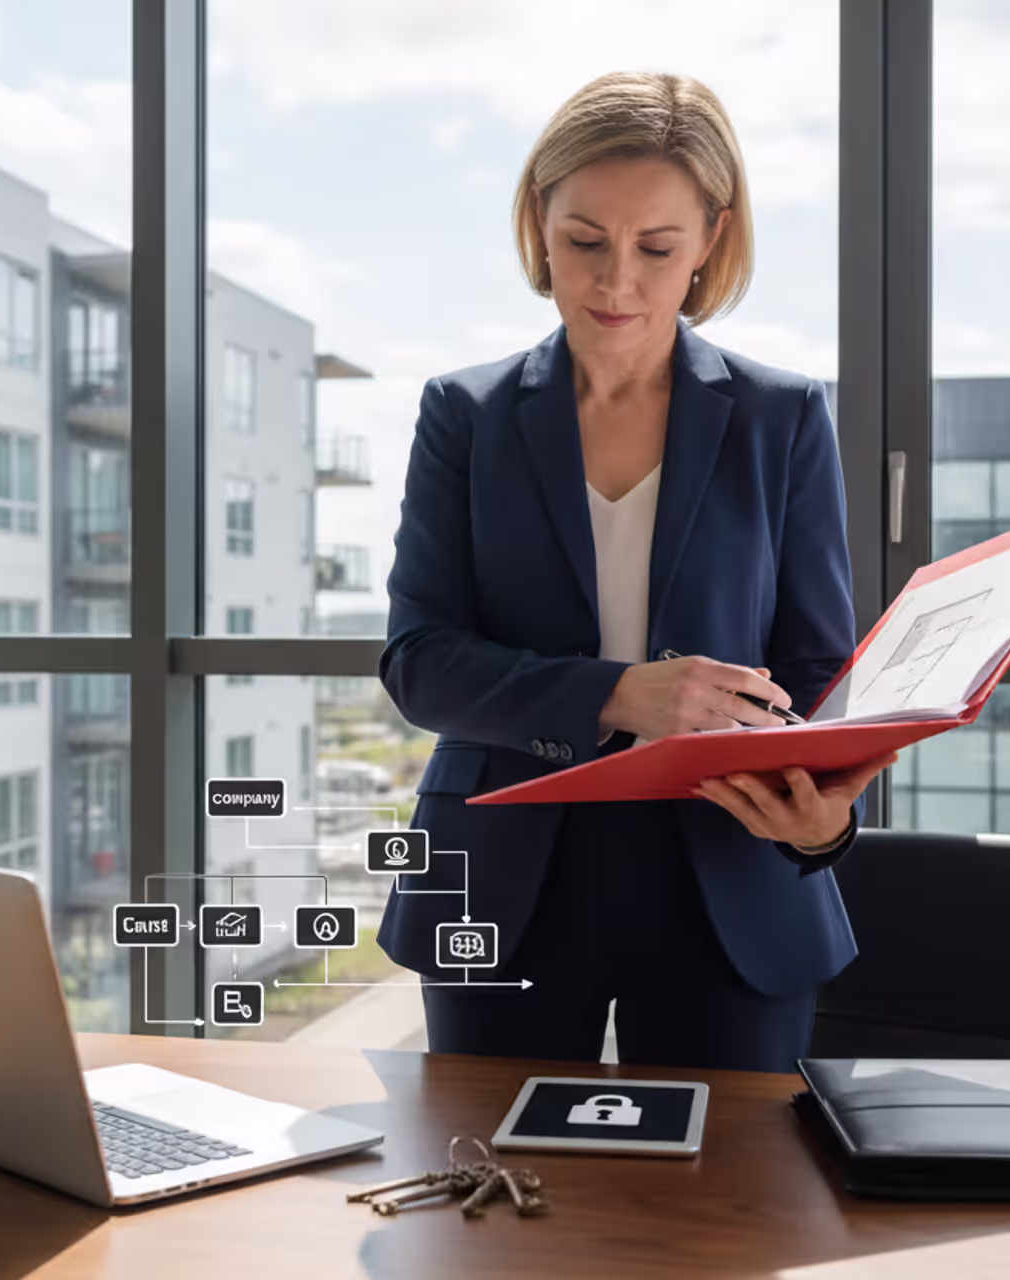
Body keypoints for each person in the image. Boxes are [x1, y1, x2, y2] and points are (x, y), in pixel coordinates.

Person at [375, 71, 896, 1073]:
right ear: (538, 222)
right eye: (584, 242)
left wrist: (825, 816)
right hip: (505, 872)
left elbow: (820, 671)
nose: (616, 283)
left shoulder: (780, 417)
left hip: (729, 871)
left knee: (734, 1212)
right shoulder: (466, 414)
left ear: (711, 239)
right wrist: (617, 693)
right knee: (494, 1206)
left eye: (657, 248)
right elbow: (419, 659)